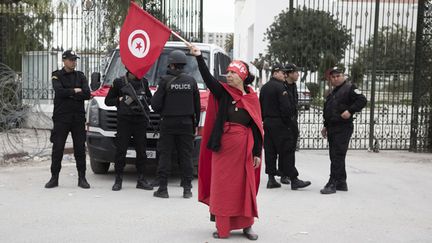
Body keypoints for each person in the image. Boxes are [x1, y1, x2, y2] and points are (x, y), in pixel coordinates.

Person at [189, 44, 263, 240]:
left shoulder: (253, 98)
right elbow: (208, 79)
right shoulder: (223, 93)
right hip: (223, 149)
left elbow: (256, 128)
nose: (228, 75)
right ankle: (223, 226)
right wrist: (198, 58)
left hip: (244, 149)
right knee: (223, 188)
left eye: (232, 73)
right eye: (228, 72)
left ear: (242, 76)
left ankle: (247, 226)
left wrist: (256, 153)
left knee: (243, 188)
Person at [151, 50, 201, 199]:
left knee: (165, 155)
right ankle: (187, 189)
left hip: (168, 122)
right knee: (186, 156)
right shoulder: (191, 81)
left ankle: (163, 189)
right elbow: (197, 106)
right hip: (187, 123)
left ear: (171, 64)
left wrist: (164, 110)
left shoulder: (165, 81)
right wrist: (195, 123)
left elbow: (155, 104)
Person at [259, 64, 311, 190]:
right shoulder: (280, 87)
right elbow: (286, 108)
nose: (284, 75)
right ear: (275, 73)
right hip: (280, 123)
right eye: (282, 73)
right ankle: (294, 179)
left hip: (268, 122)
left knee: (270, 151)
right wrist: (288, 122)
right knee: (287, 151)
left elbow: (260, 105)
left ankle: (271, 179)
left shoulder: (264, 88)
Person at [45, 50, 91, 189]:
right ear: (64, 60)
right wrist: (75, 91)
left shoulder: (81, 76)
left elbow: (87, 94)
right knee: (58, 148)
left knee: (80, 149)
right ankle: (54, 178)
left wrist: (69, 93)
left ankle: (82, 178)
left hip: (77, 117)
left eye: (75, 60)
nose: (73, 62)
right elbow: (59, 91)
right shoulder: (56, 75)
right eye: (71, 60)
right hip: (61, 118)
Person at [320, 66, 367, 194]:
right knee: (335, 155)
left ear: (343, 76)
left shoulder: (350, 88)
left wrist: (350, 111)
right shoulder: (333, 92)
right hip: (332, 127)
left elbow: (362, 100)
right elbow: (329, 110)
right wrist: (325, 125)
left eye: (338, 76)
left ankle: (332, 183)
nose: (335, 79)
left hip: (343, 127)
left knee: (337, 155)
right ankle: (341, 182)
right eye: (333, 77)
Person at [104, 69, 153, 191]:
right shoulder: (119, 82)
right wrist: (119, 100)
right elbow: (107, 101)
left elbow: (150, 99)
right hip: (124, 121)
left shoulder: (144, 82)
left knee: (141, 151)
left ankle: (141, 179)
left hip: (140, 121)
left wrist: (143, 100)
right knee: (121, 151)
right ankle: (118, 180)